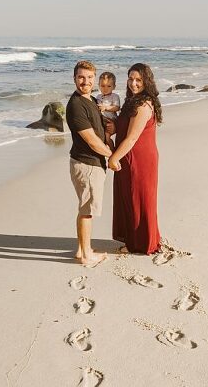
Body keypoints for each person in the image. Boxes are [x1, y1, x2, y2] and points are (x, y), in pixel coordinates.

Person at [108, 63, 162, 255]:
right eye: (131, 79)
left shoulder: (143, 105)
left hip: (139, 158)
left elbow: (131, 138)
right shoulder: (133, 101)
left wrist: (113, 158)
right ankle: (137, 239)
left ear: (146, 81)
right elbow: (124, 128)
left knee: (138, 199)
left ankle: (141, 243)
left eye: (138, 79)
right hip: (130, 156)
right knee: (131, 199)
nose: (133, 83)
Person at [66, 60, 112, 266]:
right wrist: (112, 156)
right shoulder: (76, 105)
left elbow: (99, 128)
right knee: (87, 210)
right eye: (81, 77)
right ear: (74, 78)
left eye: (89, 77)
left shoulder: (91, 99)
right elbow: (91, 140)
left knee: (85, 207)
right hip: (87, 164)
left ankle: (81, 249)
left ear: (95, 79)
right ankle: (86, 255)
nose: (85, 81)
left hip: (91, 163)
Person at [96, 71, 121, 150]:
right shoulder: (98, 96)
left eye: (109, 86)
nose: (105, 89)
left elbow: (117, 107)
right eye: (103, 86)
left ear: (114, 87)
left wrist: (106, 107)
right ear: (99, 86)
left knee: (107, 137)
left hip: (111, 120)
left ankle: (112, 150)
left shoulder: (114, 96)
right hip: (102, 120)